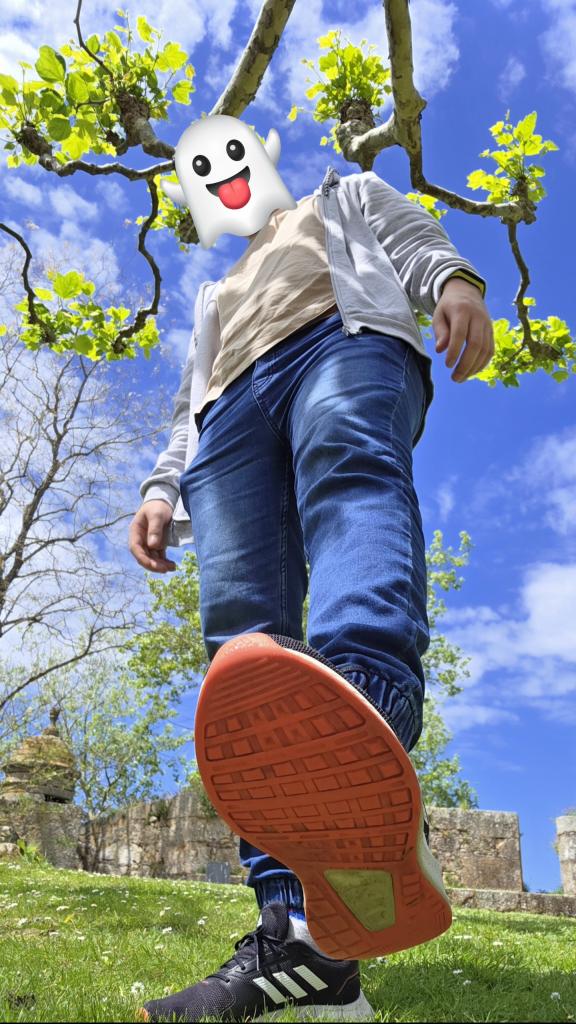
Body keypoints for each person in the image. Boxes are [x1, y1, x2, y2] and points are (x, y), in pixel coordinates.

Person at [129, 164, 493, 1023]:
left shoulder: (339, 195)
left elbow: (406, 234)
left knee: (350, 482)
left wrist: (454, 281)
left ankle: (364, 727)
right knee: (241, 635)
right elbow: (189, 400)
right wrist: (159, 486)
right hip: (228, 418)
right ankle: (302, 939)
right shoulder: (215, 288)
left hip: (341, 345)